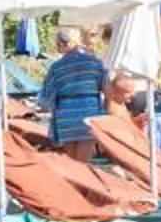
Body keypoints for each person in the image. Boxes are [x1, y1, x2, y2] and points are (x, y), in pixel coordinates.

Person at [40, 28, 109, 159]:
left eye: (58, 44)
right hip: (89, 115)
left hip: (66, 117)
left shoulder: (56, 67)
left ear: (63, 44)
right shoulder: (95, 63)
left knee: (72, 163)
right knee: (83, 162)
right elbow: (107, 90)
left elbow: (46, 97)